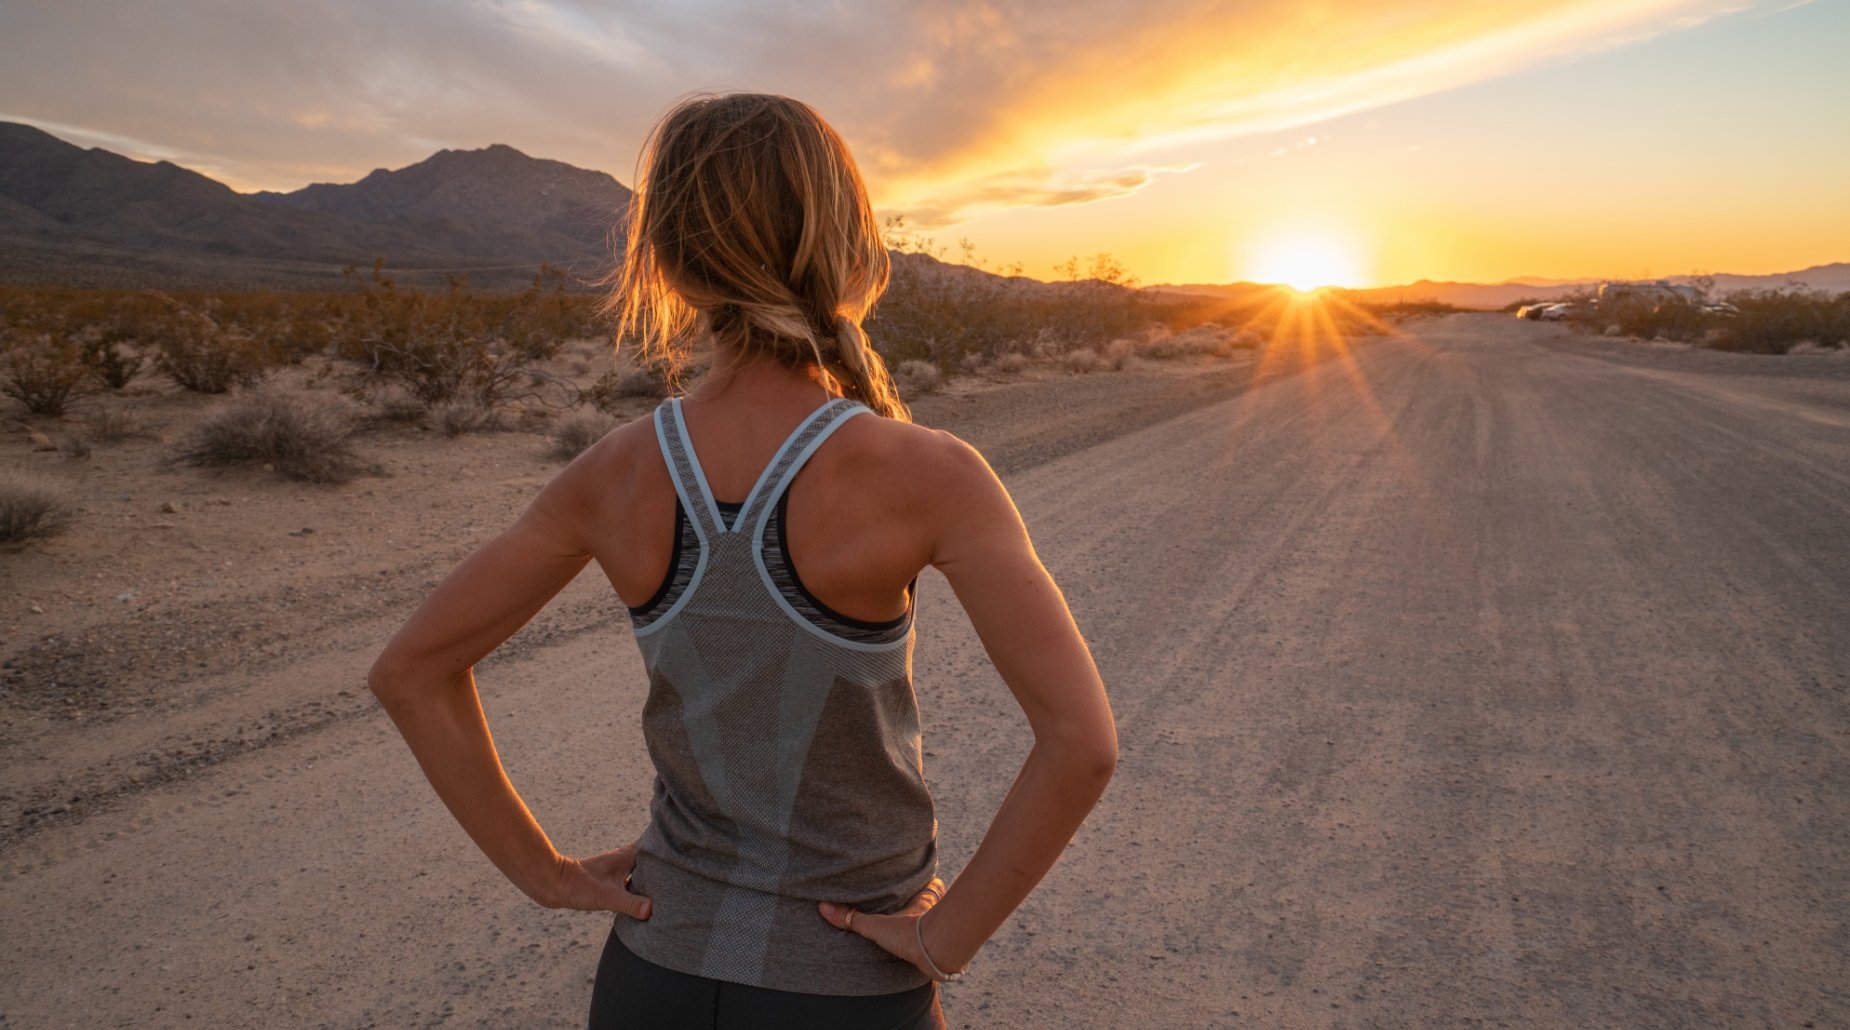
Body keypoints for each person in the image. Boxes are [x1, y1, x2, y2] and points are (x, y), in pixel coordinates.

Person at [368, 92, 1118, 1030]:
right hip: (846, 991)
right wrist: (945, 938)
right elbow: (1082, 745)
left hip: (653, 975)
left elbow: (411, 670)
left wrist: (546, 874)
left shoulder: (615, 472)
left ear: (673, 268)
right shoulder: (928, 475)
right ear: (851, 251)